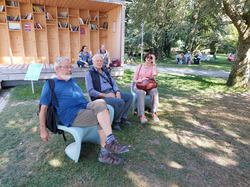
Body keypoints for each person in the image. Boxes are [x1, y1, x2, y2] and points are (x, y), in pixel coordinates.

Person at [39, 57, 129, 166]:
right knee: (100, 116)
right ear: (57, 69)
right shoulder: (50, 84)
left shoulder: (72, 80)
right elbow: (43, 109)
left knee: (101, 103)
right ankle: (105, 153)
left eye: (70, 67)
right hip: (72, 114)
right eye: (66, 67)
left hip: (84, 106)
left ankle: (109, 140)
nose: (70, 69)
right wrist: (43, 130)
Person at [85, 54, 133, 131]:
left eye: (101, 61)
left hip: (111, 92)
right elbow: (90, 91)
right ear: (93, 62)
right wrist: (106, 95)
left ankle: (122, 118)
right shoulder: (89, 73)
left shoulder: (105, 70)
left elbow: (113, 82)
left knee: (129, 97)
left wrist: (117, 91)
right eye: (97, 61)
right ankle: (115, 122)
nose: (99, 62)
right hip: (101, 96)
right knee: (120, 102)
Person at [132, 52, 160, 124]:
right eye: (147, 57)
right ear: (145, 58)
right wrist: (138, 80)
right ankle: (142, 115)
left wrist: (154, 62)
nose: (148, 59)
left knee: (155, 91)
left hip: (149, 86)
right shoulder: (140, 67)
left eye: (151, 58)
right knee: (141, 93)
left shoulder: (152, 67)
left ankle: (154, 113)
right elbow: (134, 79)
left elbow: (155, 74)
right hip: (139, 86)